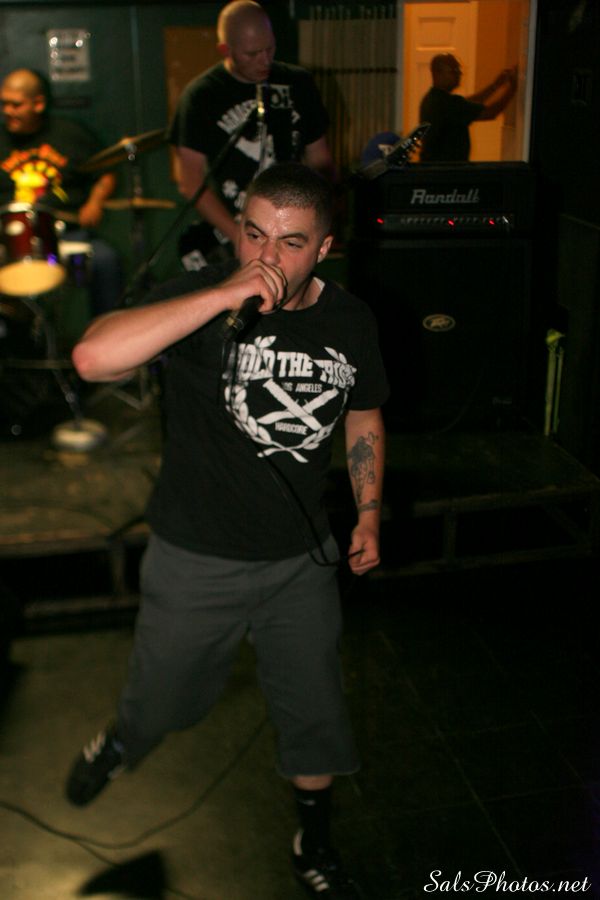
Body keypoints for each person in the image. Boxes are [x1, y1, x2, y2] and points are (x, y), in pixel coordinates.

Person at [65, 162, 387, 898]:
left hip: (299, 560)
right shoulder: (202, 298)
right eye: (254, 234)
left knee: (316, 713)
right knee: (164, 703)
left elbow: (364, 411)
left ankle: (314, 838)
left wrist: (369, 511)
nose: (266, 257)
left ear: (324, 248)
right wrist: (220, 295)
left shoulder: (351, 320)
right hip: (196, 557)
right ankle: (123, 739)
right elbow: (90, 358)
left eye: (290, 243)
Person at [169, 0, 334, 269]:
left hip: (290, 228)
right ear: (226, 50)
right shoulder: (202, 96)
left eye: (270, 49)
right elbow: (190, 182)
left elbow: (320, 160)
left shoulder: (298, 83)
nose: (264, 60)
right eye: (252, 54)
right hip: (232, 227)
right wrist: (238, 236)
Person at [0, 68, 122, 316]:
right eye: (4, 104)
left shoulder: (70, 134)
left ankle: (107, 330)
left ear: (38, 104)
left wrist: (95, 202)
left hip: (67, 236)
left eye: (16, 105)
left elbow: (106, 173)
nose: (8, 111)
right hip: (10, 241)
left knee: (105, 260)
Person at [418, 53, 518, 162]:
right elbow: (490, 113)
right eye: (454, 70)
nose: (459, 74)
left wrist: (495, 86)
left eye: (459, 70)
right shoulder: (447, 103)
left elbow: (469, 103)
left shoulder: (432, 98)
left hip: (435, 168)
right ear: (438, 74)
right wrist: (512, 89)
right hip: (446, 170)